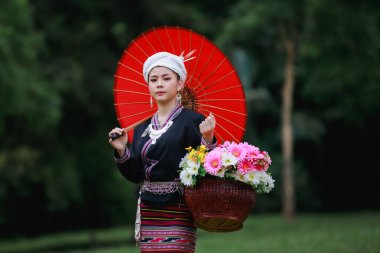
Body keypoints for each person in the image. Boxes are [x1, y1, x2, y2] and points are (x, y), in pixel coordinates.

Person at [108, 52, 217, 253]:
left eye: (166, 78)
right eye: (154, 79)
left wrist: (208, 139)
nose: (159, 84)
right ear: (148, 85)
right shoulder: (141, 128)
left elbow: (206, 168)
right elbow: (136, 175)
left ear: (180, 84)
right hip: (149, 210)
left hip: (179, 208)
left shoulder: (193, 121)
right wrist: (122, 150)